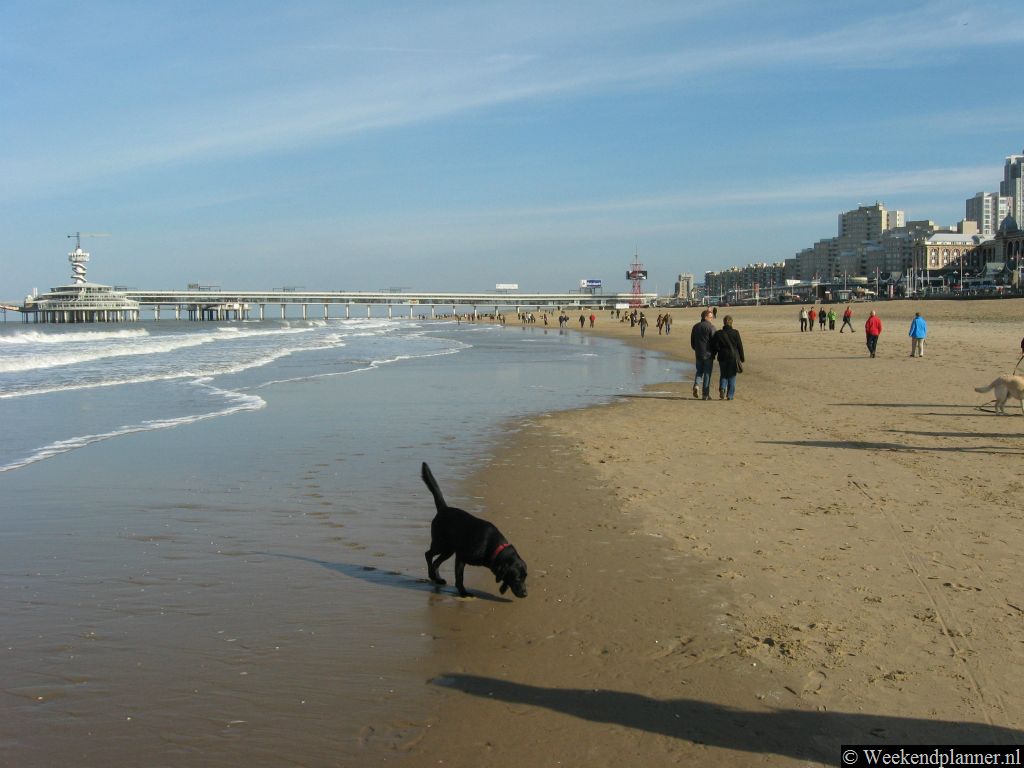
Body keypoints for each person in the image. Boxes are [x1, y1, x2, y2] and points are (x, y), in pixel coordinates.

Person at [711, 315, 745, 400]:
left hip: (722, 356)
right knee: (732, 376)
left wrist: (715, 354)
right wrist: (742, 357)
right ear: (731, 322)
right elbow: (740, 346)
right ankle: (730, 396)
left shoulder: (718, 333)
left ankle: (722, 388)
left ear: (724, 322)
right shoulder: (735, 332)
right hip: (733, 357)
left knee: (723, 374)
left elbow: (715, 346)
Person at [690, 309, 716, 400]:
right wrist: (714, 352)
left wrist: (696, 349)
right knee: (707, 374)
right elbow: (714, 341)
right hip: (708, 354)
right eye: (711, 317)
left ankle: (696, 385)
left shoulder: (695, 326)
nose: (712, 319)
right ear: (705, 317)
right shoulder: (711, 327)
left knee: (699, 371)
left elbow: (692, 341)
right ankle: (705, 394)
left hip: (699, 353)